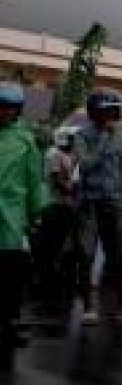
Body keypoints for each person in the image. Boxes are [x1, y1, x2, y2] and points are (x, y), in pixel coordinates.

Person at [77, 87, 122, 325]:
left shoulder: (121, 135)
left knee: (121, 256)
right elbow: (85, 165)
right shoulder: (82, 135)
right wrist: (104, 139)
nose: (110, 116)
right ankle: (88, 307)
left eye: (113, 111)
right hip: (90, 203)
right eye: (105, 111)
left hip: (115, 203)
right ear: (94, 112)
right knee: (86, 254)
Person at [0, 82, 49, 351]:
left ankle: (8, 322)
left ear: (17, 111)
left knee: (10, 272)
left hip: (11, 215)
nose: (5, 113)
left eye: (10, 108)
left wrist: (35, 213)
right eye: (2, 107)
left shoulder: (25, 139)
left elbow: (34, 180)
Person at [32, 124, 83, 325]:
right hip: (55, 205)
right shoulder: (54, 154)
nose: (73, 142)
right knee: (50, 246)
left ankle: (58, 284)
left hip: (67, 207)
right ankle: (46, 286)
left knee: (65, 246)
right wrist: (74, 187)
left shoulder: (69, 155)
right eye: (70, 138)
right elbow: (58, 180)